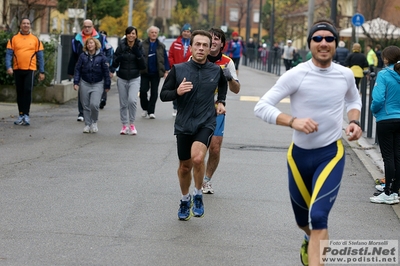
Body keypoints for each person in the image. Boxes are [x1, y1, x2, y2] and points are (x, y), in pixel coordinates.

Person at [254, 19, 362, 266]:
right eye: (318, 38)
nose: (323, 43)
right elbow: (261, 107)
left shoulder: (344, 74)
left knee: (319, 216)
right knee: (303, 220)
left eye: (329, 39)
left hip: (330, 154)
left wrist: (355, 122)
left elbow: (353, 101)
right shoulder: (297, 74)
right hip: (299, 157)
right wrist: (293, 121)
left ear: (336, 43)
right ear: (310, 43)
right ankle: (309, 237)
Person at [160, 30, 228, 221]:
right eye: (197, 44)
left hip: (206, 122)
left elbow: (223, 84)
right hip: (184, 124)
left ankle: (198, 194)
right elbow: (163, 95)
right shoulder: (179, 69)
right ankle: (185, 199)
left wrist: (221, 101)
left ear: (209, 49)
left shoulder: (216, 70)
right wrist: (177, 91)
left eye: (205, 45)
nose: (201, 48)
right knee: (184, 166)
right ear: (191, 47)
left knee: (197, 159)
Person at [202, 28, 240, 194]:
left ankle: (206, 180)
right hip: (198, 109)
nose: (213, 41)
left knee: (215, 148)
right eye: (210, 38)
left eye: (216, 39)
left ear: (222, 43)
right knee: (198, 148)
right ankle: (196, 176)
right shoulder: (197, 57)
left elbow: (237, 90)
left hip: (217, 109)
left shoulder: (227, 62)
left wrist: (229, 78)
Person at [369, 45, 400, 205]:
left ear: (386, 59)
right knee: (397, 156)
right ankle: (394, 191)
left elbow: (379, 99)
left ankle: (387, 192)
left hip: (386, 118)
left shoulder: (383, 75)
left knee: (388, 157)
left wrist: (374, 110)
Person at [67, 19, 112, 122]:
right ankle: (81, 113)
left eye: (89, 26)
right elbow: (74, 55)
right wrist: (71, 71)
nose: (87, 28)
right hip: (83, 68)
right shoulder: (77, 39)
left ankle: (93, 112)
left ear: (93, 27)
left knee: (95, 97)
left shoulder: (101, 38)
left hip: (98, 69)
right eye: (85, 26)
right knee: (82, 93)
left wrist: (108, 63)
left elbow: (109, 51)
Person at [5, 18, 45, 126]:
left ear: (30, 25)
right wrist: (8, 67)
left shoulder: (35, 39)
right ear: (20, 25)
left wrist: (42, 71)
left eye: (28, 23)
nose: (26, 25)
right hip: (17, 69)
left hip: (30, 69)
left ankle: (26, 115)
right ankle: (21, 114)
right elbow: (8, 54)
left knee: (27, 90)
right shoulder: (14, 38)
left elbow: (40, 57)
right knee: (20, 92)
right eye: (24, 23)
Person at [110, 26, 146, 135]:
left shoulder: (139, 46)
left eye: (133, 33)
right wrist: (118, 59)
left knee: (132, 100)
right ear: (126, 35)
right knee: (123, 103)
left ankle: (132, 124)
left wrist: (138, 55)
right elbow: (114, 61)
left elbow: (143, 65)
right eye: (129, 33)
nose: (131, 35)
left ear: (136, 35)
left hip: (134, 77)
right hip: (122, 77)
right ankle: (124, 125)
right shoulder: (121, 46)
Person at [73, 37, 111, 133]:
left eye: (92, 43)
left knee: (94, 104)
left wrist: (107, 85)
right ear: (86, 45)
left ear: (96, 45)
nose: (90, 45)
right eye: (88, 43)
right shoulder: (82, 56)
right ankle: (87, 124)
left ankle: (94, 122)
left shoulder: (102, 57)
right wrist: (76, 82)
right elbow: (77, 69)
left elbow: (106, 72)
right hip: (85, 82)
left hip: (97, 83)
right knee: (85, 105)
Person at [139, 26, 170, 119]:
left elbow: (165, 58)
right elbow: (139, 57)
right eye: (152, 32)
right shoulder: (142, 44)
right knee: (143, 91)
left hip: (156, 72)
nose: (154, 34)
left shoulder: (161, 45)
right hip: (145, 71)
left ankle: (151, 111)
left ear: (157, 34)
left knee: (154, 92)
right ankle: (145, 108)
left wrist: (166, 71)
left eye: (155, 33)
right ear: (149, 34)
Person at [168, 23, 192, 117]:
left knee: (187, 89)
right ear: (182, 32)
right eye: (184, 31)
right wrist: (173, 66)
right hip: (177, 70)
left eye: (188, 32)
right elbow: (170, 55)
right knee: (176, 89)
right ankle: (175, 107)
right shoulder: (175, 43)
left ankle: (185, 108)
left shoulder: (192, 44)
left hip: (189, 70)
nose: (186, 33)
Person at [98, 30, 114, 109]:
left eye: (104, 35)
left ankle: (103, 99)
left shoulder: (108, 46)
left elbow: (111, 58)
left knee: (105, 83)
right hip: (96, 68)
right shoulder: (95, 45)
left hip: (105, 68)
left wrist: (111, 70)